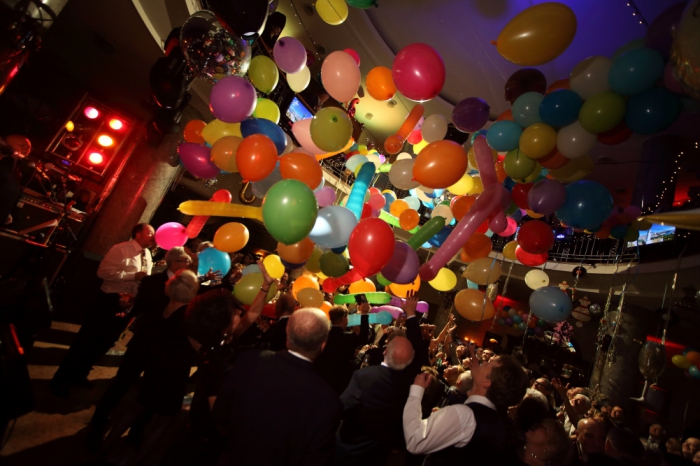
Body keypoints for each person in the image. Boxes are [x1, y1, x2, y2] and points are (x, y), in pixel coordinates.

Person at [91, 270, 200, 461]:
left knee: (136, 405)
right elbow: (196, 346)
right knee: (161, 420)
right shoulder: (187, 316)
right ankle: (136, 456)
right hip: (169, 372)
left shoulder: (167, 305)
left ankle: (105, 449)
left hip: (152, 362)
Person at [212, 308, 342, 465]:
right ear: (323, 345)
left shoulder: (249, 361)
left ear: (288, 336)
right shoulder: (328, 401)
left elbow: (220, 416)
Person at [51, 223, 155, 397]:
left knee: (105, 343)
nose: (154, 237)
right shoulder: (121, 249)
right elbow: (103, 272)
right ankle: (61, 381)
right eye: (150, 233)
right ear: (138, 234)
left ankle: (80, 374)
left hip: (127, 303)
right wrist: (132, 276)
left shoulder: (148, 255)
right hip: (108, 300)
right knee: (86, 341)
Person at [334, 293, 427, 465]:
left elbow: (342, 407)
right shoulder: (408, 383)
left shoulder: (365, 376)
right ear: (410, 361)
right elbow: (420, 351)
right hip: (377, 453)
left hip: (348, 446)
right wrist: (412, 315)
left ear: (385, 351)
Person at [402, 354, 529, 464]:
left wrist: (417, 390)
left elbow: (415, 440)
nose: (484, 362)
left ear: (486, 382)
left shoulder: (464, 415)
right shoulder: (495, 423)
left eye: (488, 364)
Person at [315, 303, 371, 395]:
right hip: (341, 382)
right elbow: (363, 338)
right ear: (343, 318)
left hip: (321, 378)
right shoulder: (347, 337)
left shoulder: (321, 335)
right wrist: (364, 314)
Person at [0, 134, 31, 225]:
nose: (26, 149)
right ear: (6, 145)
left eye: (29, 148)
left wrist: (7, 213)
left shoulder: (17, 168)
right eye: (22, 146)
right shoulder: (3, 163)